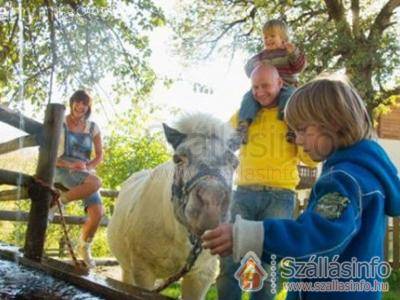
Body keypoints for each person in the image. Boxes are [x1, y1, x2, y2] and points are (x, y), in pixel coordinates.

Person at [203, 78, 400, 300]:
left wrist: (246, 235)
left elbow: (320, 236)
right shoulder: (366, 175)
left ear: (333, 123)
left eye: (303, 130)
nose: (296, 139)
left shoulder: (344, 180)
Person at [217, 64, 316, 300]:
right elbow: (220, 144)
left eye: (265, 86)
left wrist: (298, 136)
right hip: (243, 194)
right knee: (230, 259)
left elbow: (311, 161)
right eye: (255, 87)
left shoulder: (294, 116)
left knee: (268, 262)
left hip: (280, 196)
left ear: (280, 84)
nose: (260, 92)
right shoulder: (243, 116)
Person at [49, 90, 104, 268]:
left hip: (83, 171)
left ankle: (84, 247)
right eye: (78, 102)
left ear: (88, 107)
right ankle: (59, 203)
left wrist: (86, 166)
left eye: (85, 104)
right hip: (62, 168)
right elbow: (49, 154)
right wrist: (70, 165)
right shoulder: (60, 123)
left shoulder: (93, 128)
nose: (81, 106)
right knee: (96, 183)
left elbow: (99, 156)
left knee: (97, 214)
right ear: (72, 102)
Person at [237, 19, 306, 144]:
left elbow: (299, 67)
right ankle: (243, 125)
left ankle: (291, 126)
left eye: (272, 36)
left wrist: (294, 53)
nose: (268, 39)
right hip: (264, 88)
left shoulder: (287, 53)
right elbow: (248, 71)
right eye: (265, 37)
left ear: (283, 38)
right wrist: (254, 65)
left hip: (286, 86)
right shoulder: (261, 55)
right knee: (248, 98)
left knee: (290, 98)